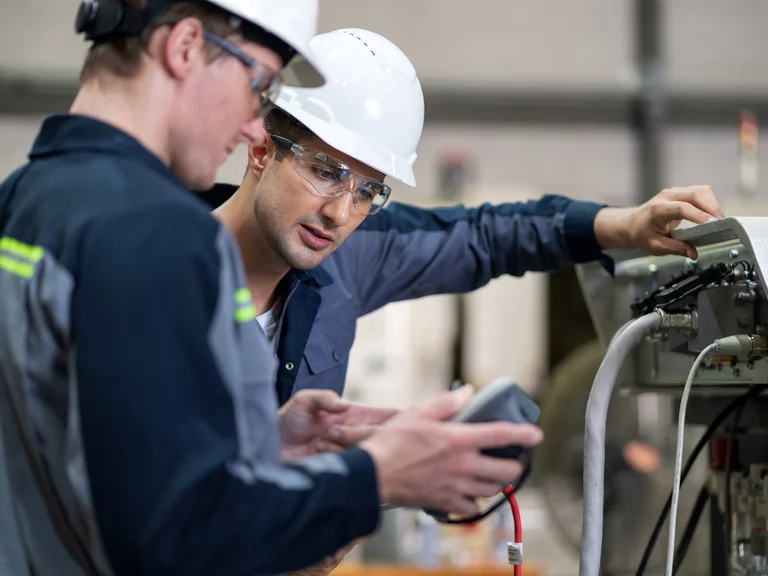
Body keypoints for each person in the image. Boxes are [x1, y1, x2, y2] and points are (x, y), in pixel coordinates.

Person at [0, 3, 543, 575]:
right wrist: (373, 478)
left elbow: (86, 455)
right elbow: (172, 537)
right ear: (185, 46)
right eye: (256, 81)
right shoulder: (152, 232)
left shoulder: (28, 199)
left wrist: (260, 448)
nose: (249, 123)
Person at [207, 28, 725, 408]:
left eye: (368, 191)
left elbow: (487, 235)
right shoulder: (152, 271)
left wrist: (625, 226)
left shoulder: (345, 267)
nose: (340, 213)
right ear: (259, 150)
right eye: (324, 171)